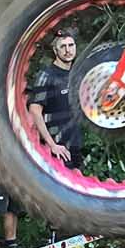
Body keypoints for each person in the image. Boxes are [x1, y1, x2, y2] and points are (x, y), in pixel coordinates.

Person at [28, 29, 85, 186]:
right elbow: (34, 110)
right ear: (55, 50)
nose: (68, 50)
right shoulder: (46, 75)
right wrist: (52, 144)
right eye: (63, 46)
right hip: (56, 148)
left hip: (75, 145)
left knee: (77, 192)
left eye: (71, 45)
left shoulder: (76, 74)